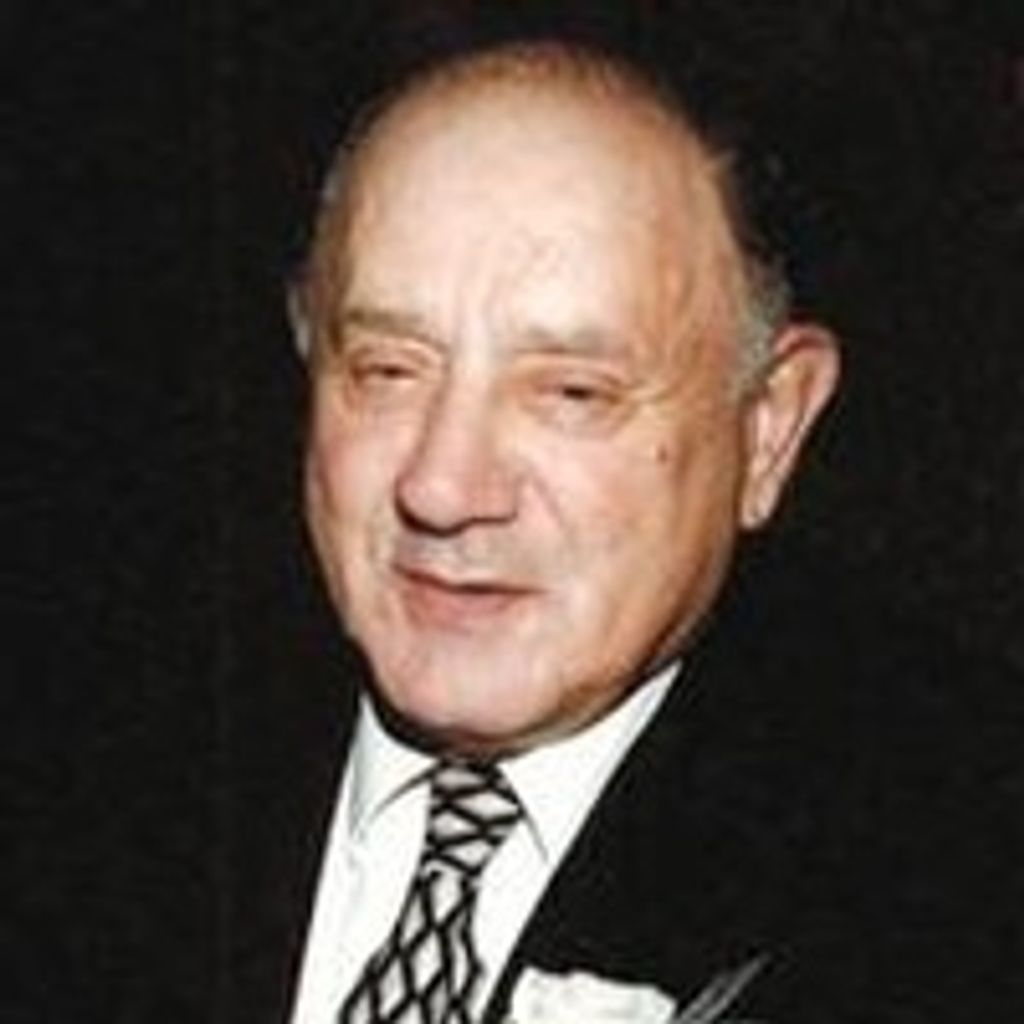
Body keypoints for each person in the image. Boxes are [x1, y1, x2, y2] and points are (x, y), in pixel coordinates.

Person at [229, 36, 1015, 1024]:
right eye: (387, 370)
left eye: (571, 392)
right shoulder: (103, 760)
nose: (442, 485)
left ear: (768, 428)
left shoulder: (957, 879)